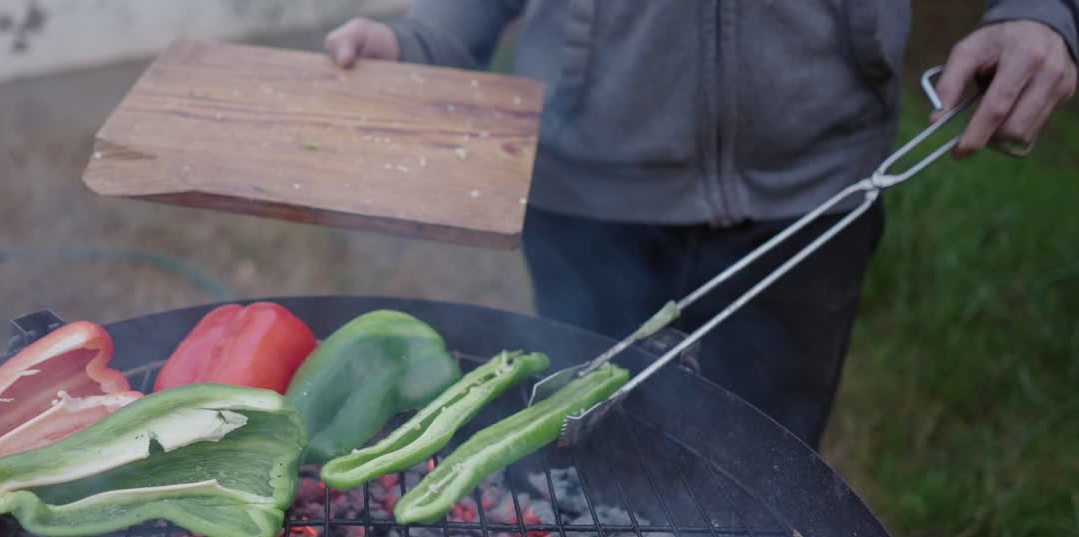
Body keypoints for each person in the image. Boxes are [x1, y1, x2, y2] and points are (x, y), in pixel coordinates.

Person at [323, 2, 1077, 450]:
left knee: (769, 460)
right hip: (590, 184)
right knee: (586, 448)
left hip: (813, 181)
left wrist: (1044, 10)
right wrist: (427, 39)